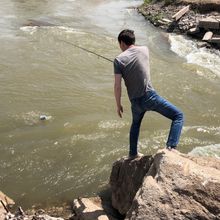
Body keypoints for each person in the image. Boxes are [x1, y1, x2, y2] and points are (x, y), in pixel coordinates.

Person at [113, 29, 184, 158]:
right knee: (178, 116)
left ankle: (133, 153)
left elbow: (117, 86)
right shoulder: (145, 49)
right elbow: (137, 64)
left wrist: (118, 105)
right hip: (150, 97)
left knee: (135, 125)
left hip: (135, 102)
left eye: (119, 44)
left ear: (122, 43)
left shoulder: (118, 60)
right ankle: (171, 147)